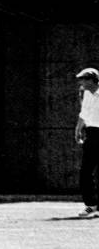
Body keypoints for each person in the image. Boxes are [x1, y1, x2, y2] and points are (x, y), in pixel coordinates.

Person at [75, 67, 99, 218]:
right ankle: (91, 204)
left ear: (92, 80)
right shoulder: (86, 94)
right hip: (92, 133)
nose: (81, 82)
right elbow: (84, 113)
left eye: (84, 79)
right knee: (86, 171)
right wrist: (78, 129)